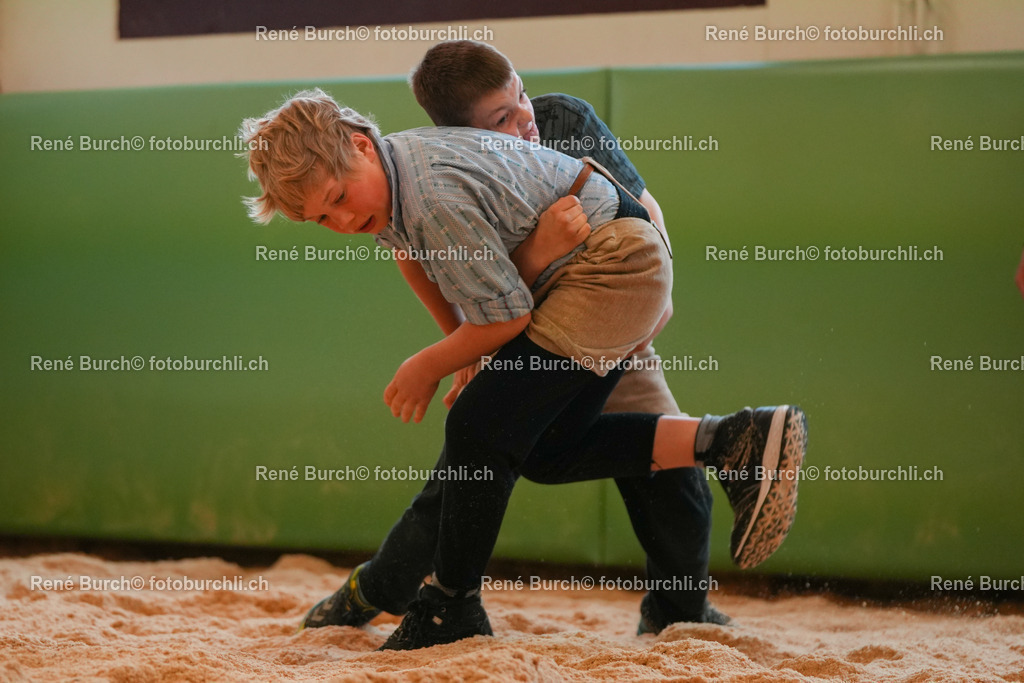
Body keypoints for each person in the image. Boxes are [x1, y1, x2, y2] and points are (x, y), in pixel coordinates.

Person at [240, 88, 807, 650]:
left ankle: (450, 605)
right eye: (321, 219)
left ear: (362, 147)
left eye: (338, 198)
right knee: (543, 450)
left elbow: (507, 314)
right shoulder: (390, 180)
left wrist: (431, 364)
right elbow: (409, 252)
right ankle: (733, 439)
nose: (340, 221)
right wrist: (458, 342)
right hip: (579, 279)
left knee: (476, 430)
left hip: (608, 272)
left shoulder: (440, 188)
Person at [301, 39, 729, 638]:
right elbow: (461, 277)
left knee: (656, 452)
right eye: (500, 120)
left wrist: (636, 314)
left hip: (608, 309)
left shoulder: (562, 119)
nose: (523, 119)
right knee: (476, 454)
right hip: (517, 319)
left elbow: (644, 216)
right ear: (462, 134)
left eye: (520, 97)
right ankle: (384, 586)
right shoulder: (439, 175)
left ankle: (681, 606)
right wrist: (519, 273)